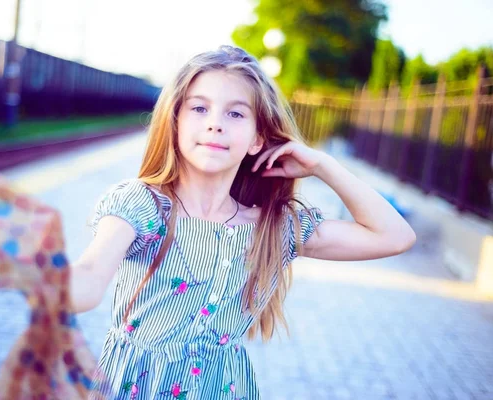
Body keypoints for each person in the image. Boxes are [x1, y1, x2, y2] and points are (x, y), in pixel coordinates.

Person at [70, 45, 416, 399]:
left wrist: (322, 166)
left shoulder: (271, 227)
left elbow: (394, 236)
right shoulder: (142, 204)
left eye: (235, 114)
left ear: (257, 139)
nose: (215, 123)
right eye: (199, 108)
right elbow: (90, 276)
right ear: (175, 122)